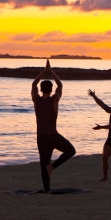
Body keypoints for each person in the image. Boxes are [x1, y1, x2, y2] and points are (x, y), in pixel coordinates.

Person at [31, 60, 75, 193]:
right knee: (70, 151)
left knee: (43, 163)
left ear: (40, 89)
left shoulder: (36, 100)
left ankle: (47, 190)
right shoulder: (54, 100)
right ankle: (53, 167)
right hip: (52, 136)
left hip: (41, 138)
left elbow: (33, 83)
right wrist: (51, 71)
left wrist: (44, 71)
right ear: (51, 90)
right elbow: (60, 84)